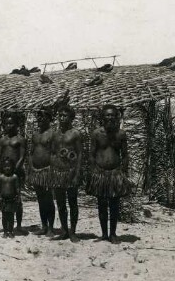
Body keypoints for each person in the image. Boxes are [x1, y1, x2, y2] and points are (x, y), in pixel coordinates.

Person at [88, 104, 131, 244]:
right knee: (101, 204)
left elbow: (125, 155)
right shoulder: (96, 134)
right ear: (102, 117)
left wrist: (122, 172)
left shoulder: (121, 134)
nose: (110, 117)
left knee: (114, 205)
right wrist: (95, 170)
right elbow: (92, 154)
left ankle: (113, 234)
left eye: (113, 115)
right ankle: (104, 234)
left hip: (115, 174)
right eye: (107, 115)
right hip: (100, 174)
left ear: (117, 117)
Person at [51, 104, 82, 242]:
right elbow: (52, 153)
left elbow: (80, 154)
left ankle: (73, 231)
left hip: (70, 172)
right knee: (61, 203)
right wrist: (52, 170)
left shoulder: (75, 133)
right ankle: (64, 230)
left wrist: (76, 174)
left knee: (73, 202)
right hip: (58, 172)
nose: (62, 118)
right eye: (60, 115)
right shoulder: (55, 134)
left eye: (65, 116)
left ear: (71, 118)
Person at [0, 113, 27, 235]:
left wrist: (15, 169)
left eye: (11, 123)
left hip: (16, 172)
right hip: (4, 172)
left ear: (17, 125)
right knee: (5, 198)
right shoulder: (2, 140)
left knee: (17, 199)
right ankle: (6, 227)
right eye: (6, 124)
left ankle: (18, 225)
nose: (8, 126)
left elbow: (22, 156)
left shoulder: (20, 139)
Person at [28, 107, 56, 236]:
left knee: (48, 199)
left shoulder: (52, 134)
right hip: (36, 171)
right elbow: (31, 152)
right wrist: (31, 167)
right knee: (40, 199)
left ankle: (51, 227)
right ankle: (44, 225)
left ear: (49, 119)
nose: (40, 120)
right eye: (38, 117)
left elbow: (55, 153)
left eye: (43, 117)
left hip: (47, 171)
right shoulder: (35, 135)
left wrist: (52, 169)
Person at [0, 157, 20, 238]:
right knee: (4, 217)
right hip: (4, 200)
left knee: (11, 217)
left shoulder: (14, 177)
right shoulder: (1, 177)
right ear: (2, 167)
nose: (7, 168)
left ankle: (10, 231)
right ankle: (5, 231)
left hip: (12, 200)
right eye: (5, 166)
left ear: (12, 166)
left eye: (9, 166)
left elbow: (17, 188)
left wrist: (18, 196)